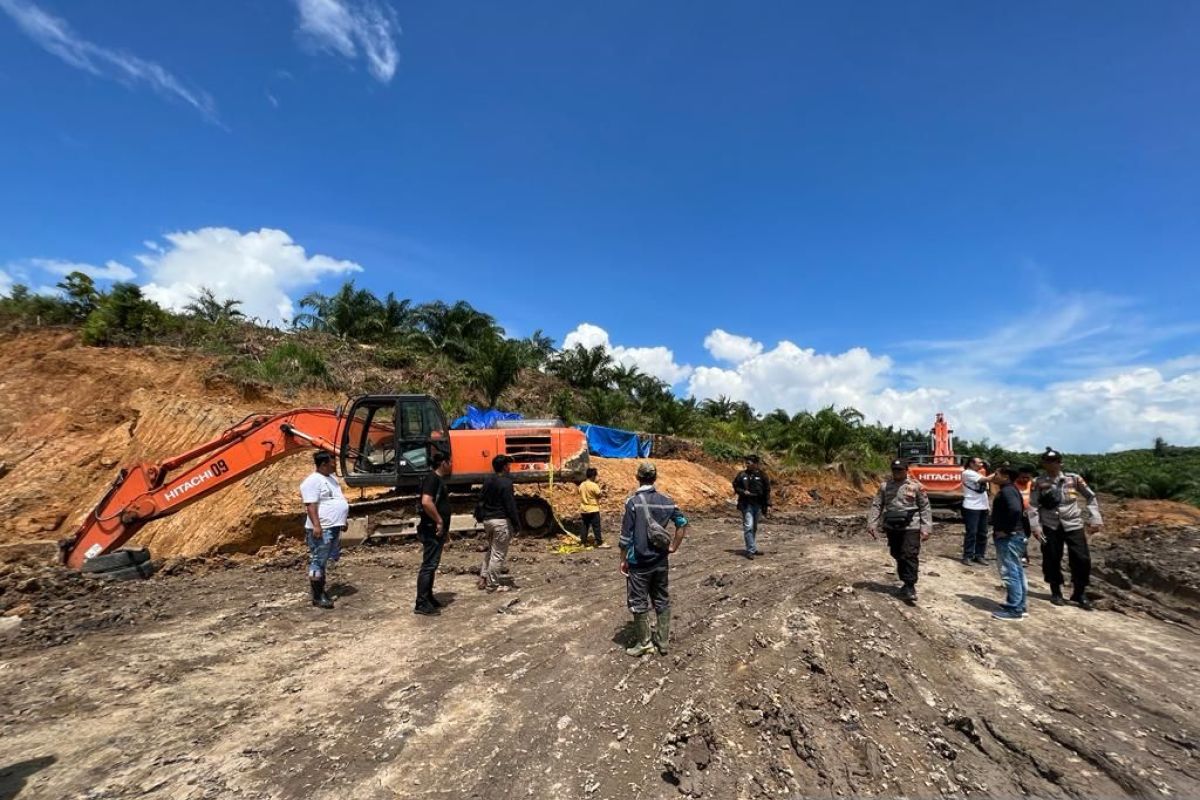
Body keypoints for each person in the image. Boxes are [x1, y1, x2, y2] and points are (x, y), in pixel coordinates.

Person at [620, 462, 689, 657]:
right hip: (661, 561)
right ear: (655, 478)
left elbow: (626, 537)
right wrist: (673, 547)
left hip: (639, 562)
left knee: (638, 600)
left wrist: (622, 559)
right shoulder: (667, 501)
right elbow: (682, 523)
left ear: (637, 477)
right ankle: (663, 641)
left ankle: (644, 643)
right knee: (661, 598)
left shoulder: (633, 502)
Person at [1029, 448, 1102, 610]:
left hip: (1073, 523)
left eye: (1054, 461)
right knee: (1051, 558)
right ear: (1043, 464)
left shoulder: (1074, 479)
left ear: (1060, 462)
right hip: (1050, 525)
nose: (1051, 464)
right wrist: (1035, 526)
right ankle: (1056, 591)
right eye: (1047, 461)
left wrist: (1095, 518)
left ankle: (1079, 592)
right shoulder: (1038, 482)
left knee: (1081, 559)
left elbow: (1090, 496)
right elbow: (1033, 505)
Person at [867, 459, 933, 602]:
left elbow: (925, 507)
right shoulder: (885, 486)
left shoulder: (916, 486)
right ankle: (905, 580)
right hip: (892, 526)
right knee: (897, 553)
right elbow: (877, 505)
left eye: (900, 470)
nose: (897, 472)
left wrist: (926, 527)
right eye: (895, 470)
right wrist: (872, 523)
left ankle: (910, 585)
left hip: (911, 526)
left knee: (909, 554)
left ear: (906, 470)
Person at [301, 450, 350, 610]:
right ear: (323, 464)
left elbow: (336, 500)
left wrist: (342, 520)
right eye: (332, 462)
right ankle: (318, 596)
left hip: (333, 527)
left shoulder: (331, 479)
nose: (335, 465)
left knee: (323, 560)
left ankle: (321, 591)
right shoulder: (312, 481)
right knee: (318, 561)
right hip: (322, 528)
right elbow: (311, 505)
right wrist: (316, 525)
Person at [414, 451, 452, 616]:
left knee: (432, 565)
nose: (451, 465)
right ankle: (421, 603)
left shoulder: (436, 479)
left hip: (436, 529)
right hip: (431, 529)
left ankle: (428, 597)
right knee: (428, 565)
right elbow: (426, 502)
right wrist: (439, 520)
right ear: (443, 463)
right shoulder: (432, 479)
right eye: (450, 462)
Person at [478, 454, 520, 592]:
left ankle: (483, 578)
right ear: (504, 467)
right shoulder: (506, 483)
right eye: (509, 465)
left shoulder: (488, 480)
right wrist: (516, 524)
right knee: (498, 554)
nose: (510, 468)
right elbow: (510, 505)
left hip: (488, 521)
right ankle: (492, 585)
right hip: (501, 521)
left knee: (491, 550)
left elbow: (481, 500)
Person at [990, 467, 1028, 621]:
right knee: (1017, 571)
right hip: (1015, 536)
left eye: (997, 474)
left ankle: (1015, 609)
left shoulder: (1007, 491)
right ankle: (1020, 605)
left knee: (1010, 572)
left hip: (1010, 537)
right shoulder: (1010, 489)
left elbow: (1015, 510)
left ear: (1005, 476)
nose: (994, 476)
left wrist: (1006, 530)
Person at [732, 455, 771, 559]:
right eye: (747, 463)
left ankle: (752, 547)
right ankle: (750, 550)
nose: (747, 464)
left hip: (758, 504)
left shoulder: (762, 475)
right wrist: (743, 492)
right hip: (746, 504)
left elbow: (767, 490)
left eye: (749, 462)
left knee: (754, 527)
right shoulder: (742, 475)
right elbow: (736, 486)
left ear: (755, 464)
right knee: (748, 526)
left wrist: (768, 505)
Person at [960, 456, 991, 566]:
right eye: (979, 462)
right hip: (971, 507)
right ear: (971, 463)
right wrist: (997, 472)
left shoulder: (979, 473)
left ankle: (979, 555)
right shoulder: (967, 473)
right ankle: (967, 556)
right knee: (972, 533)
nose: (981, 464)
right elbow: (985, 480)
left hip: (983, 506)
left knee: (983, 533)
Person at [1015, 465, 1037, 566]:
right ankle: (1022, 556)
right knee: (1020, 535)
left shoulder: (1031, 484)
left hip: (1028, 515)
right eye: (1023, 477)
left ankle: (1022, 555)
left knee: (1026, 535)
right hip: (1017, 515)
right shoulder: (1013, 485)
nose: (1025, 479)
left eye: (1027, 477)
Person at [579, 467, 606, 548]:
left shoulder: (582, 485)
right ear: (593, 476)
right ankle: (599, 542)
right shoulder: (594, 485)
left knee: (585, 526)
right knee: (596, 527)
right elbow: (599, 495)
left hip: (584, 509)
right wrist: (603, 492)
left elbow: (580, 493)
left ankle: (583, 542)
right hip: (593, 509)